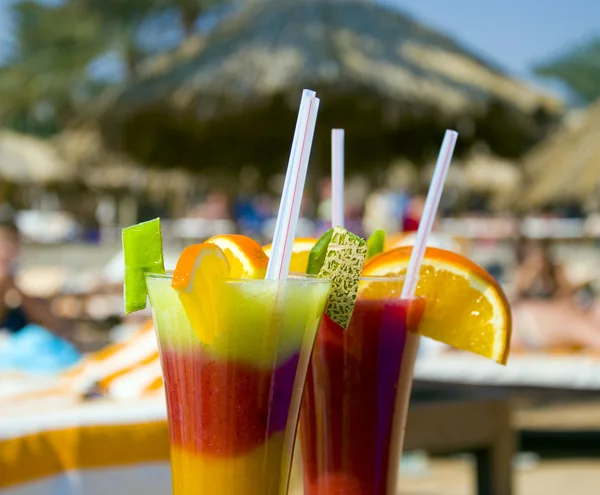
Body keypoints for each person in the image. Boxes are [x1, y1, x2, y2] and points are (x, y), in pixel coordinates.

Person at [511, 239, 600, 351]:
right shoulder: (525, 274)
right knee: (577, 323)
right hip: (534, 319)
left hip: (542, 316)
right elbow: (518, 297)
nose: (539, 261)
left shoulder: (555, 271)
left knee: (591, 312)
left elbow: (567, 292)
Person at [0, 219, 70, 338]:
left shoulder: (19, 276)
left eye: (14, 241)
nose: (10, 249)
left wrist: (19, 292)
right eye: (6, 242)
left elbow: (51, 323)